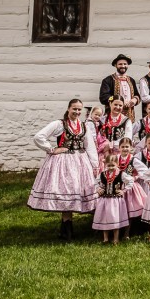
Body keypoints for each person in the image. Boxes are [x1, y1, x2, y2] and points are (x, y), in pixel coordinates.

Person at [29, 98, 99, 241]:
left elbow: (90, 146)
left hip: (80, 162)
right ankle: (67, 230)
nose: (77, 112)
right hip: (63, 163)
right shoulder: (59, 124)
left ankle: (66, 229)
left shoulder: (84, 126)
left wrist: (95, 165)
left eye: (79, 109)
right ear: (68, 109)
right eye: (74, 109)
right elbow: (38, 137)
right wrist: (52, 149)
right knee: (66, 192)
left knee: (76, 192)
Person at [93, 154, 132, 244]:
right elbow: (95, 182)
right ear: (106, 164)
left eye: (113, 165)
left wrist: (124, 190)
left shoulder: (121, 174)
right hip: (104, 200)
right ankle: (105, 239)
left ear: (117, 164)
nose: (111, 167)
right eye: (109, 165)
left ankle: (116, 239)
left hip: (115, 201)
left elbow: (130, 181)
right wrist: (98, 189)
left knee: (115, 219)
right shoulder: (102, 174)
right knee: (104, 218)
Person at [99, 54, 141, 120]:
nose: (123, 66)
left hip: (129, 115)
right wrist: (118, 101)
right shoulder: (108, 80)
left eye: (125, 64)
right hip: (113, 115)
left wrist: (135, 100)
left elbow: (137, 95)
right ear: (115, 65)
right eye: (120, 64)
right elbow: (103, 97)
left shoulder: (131, 80)